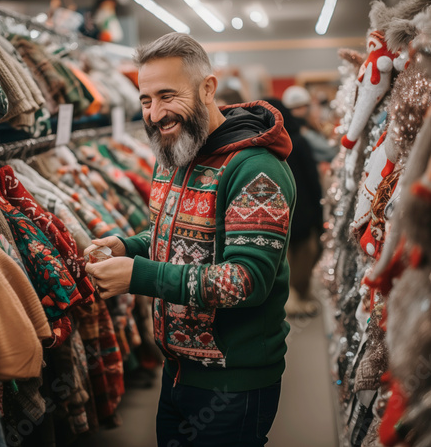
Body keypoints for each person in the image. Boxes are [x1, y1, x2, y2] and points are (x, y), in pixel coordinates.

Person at [84, 32, 296, 447]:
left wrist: (137, 275)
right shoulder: (176, 153)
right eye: (146, 100)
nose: (155, 113)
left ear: (207, 89)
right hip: (177, 371)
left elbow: (245, 280)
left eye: (167, 95)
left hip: (233, 385)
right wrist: (128, 246)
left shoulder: (255, 170)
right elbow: (174, 238)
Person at [265, 98, 324, 317]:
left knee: (284, 260)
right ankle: (300, 299)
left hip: (277, 215)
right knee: (303, 259)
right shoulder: (298, 140)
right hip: (303, 212)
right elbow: (312, 181)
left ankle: (290, 301)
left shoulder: (262, 146)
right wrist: (319, 217)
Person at [281, 85, 338, 164]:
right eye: (295, 108)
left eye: (301, 107)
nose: (299, 111)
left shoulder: (309, 127)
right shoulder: (303, 132)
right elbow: (329, 153)